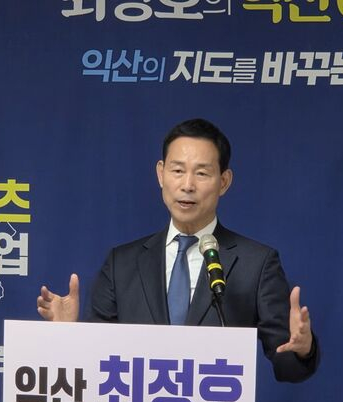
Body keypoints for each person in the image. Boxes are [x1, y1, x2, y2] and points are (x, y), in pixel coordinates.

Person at [37, 118, 318, 382]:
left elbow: (288, 366)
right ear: (161, 174)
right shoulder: (121, 264)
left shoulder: (256, 264)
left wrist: (302, 349)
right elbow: (94, 364)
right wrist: (68, 336)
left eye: (202, 173)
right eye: (178, 171)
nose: (187, 185)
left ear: (224, 182)